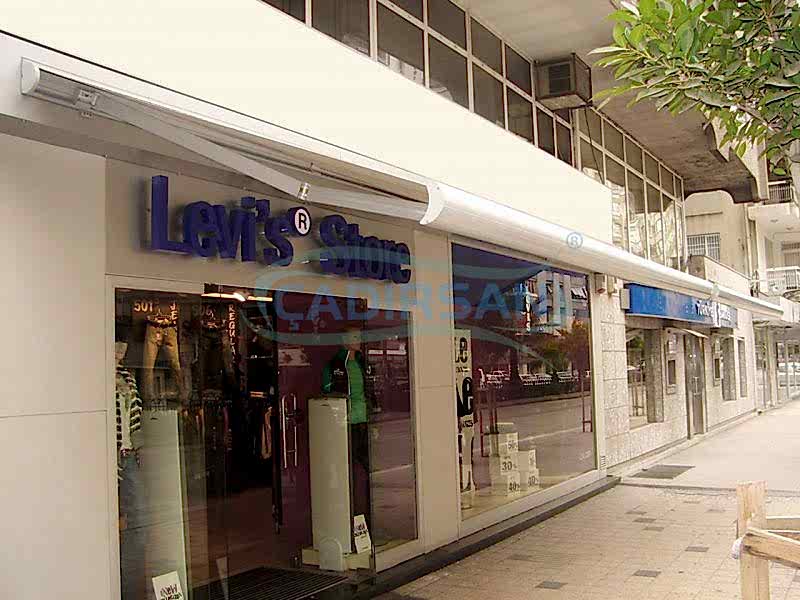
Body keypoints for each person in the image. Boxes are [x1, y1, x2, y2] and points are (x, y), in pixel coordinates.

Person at [321, 326, 374, 534]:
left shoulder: (362, 362)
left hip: (363, 422)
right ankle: (346, 517)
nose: (358, 340)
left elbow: (370, 392)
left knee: (368, 471)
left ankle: (367, 518)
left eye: (359, 336)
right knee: (346, 472)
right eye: (354, 337)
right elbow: (327, 392)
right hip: (346, 424)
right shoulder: (334, 365)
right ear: (344, 340)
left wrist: (372, 418)